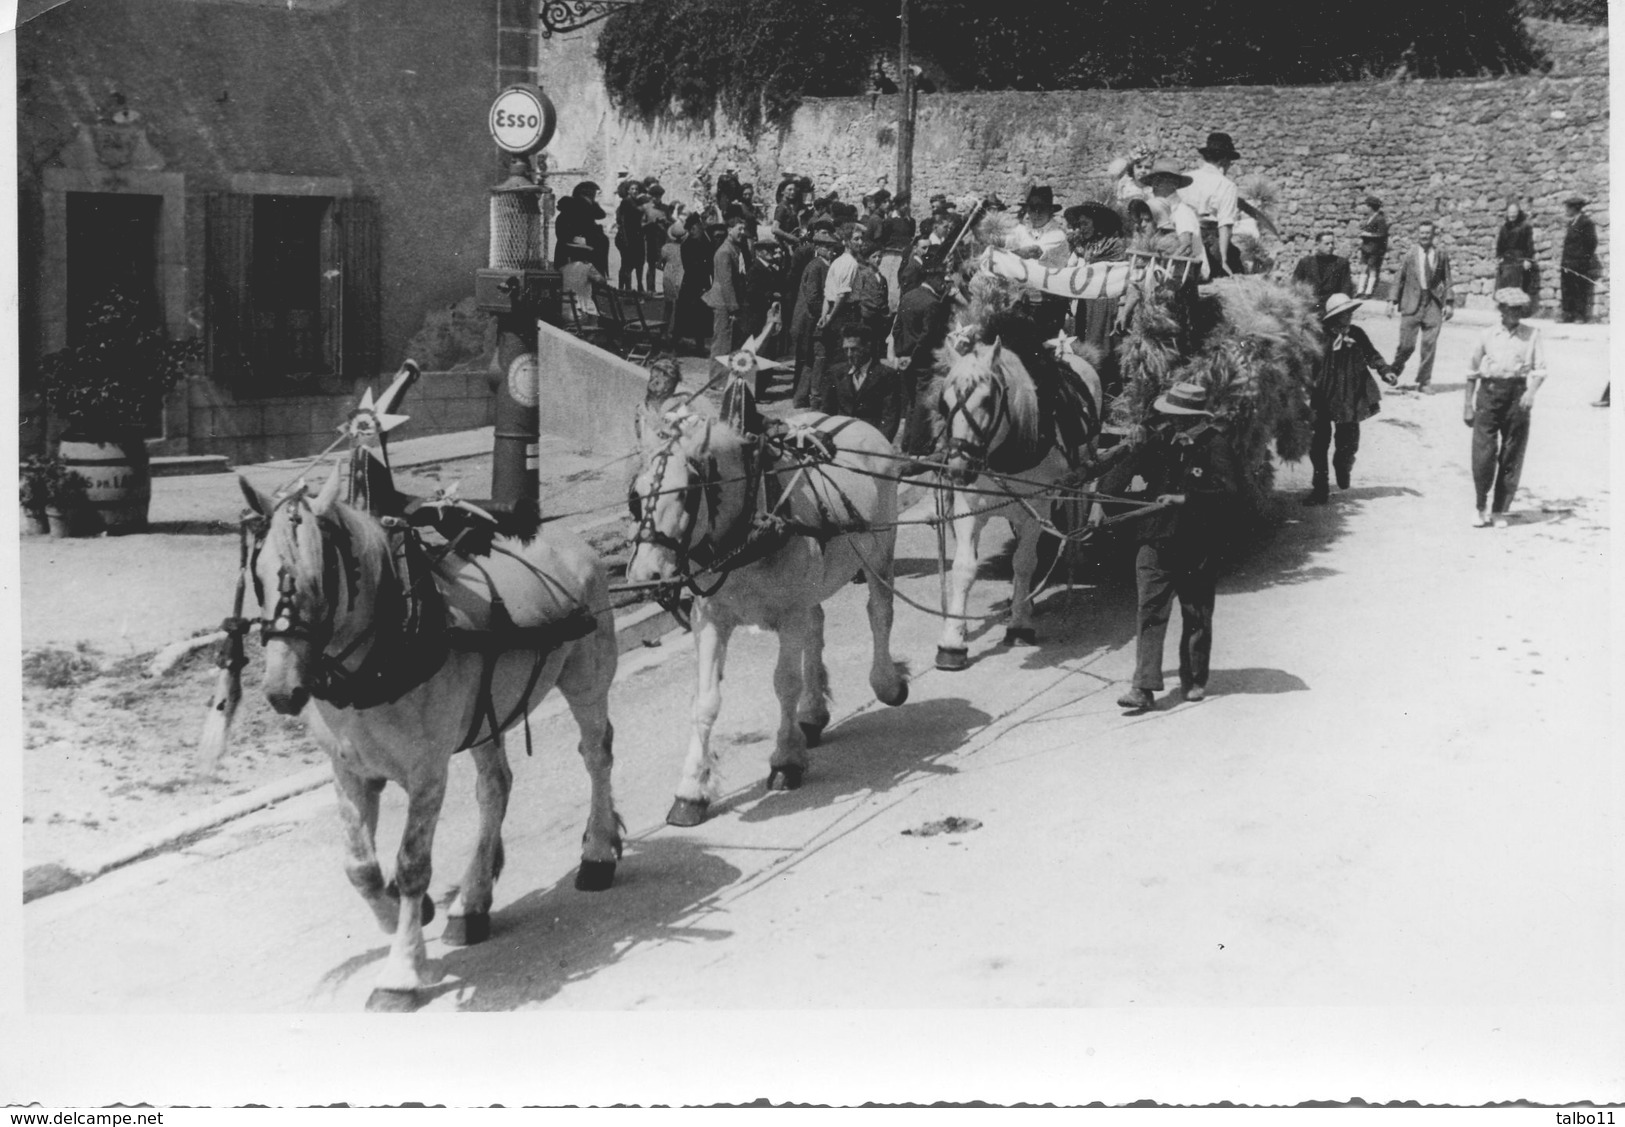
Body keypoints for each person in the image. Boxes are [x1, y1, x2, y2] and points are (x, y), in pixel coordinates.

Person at [1114, 381, 1241, 711]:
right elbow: (1127, 466)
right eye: (1170, 415)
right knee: (1150, 611)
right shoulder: (1162, 439)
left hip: (1196, 543)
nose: (1172, 421)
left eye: (1178, 416)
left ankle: (1195, 677)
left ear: (1193, 417)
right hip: (1155, 538)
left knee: (1195, 613)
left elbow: (1230, 493)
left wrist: (1186, 498)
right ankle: (1143, 687)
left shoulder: (1216, 445)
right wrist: (1100, 498)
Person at [1465, 288, 1548, 528]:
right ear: (1500, 310)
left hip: (1517, 396)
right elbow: (1471, 372)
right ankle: (1480, 506)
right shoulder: (1487, 335)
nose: (1515, 314)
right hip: (1489, 394)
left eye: (1519, 310)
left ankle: (1500, 509)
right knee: (1484, 454)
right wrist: (1468, 406)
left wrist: (1530, 393)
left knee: (1512, 453)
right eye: (1510, 309)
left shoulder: (1532, 335)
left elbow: (1540, 369)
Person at [1305, 294, 1397, 505]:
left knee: (1348, 441)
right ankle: (1320, 488)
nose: (1348, 317)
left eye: (1350, 313)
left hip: (1349, 395)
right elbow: (1307, 362)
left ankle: (1343, 465)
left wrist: (1385, 371)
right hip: (1323, 394)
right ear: (1333, 317)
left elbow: (1372, 355)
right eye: (1343, 314)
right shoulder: (1319, 336)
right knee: (1318, 443)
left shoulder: (1357, 334)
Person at [1389, 220, 1454, 394]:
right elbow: (1399, 278)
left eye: (1428, 233)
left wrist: (1449, 303)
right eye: (1422, 233)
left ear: (1433, 235)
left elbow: (1446, 279)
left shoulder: (1440, 254)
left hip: (1432, 303)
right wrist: (1391, 301)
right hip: (1411, 302)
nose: (1425, 236)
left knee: (1429, 344)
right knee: (1406, 345)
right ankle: (1394, 370)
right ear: (1418, 235)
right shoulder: (1410, 255)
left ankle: (1424, 381)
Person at [821, 322, 902, 443]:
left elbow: (890, 416)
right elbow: (827, 411)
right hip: (840, 438)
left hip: (870, 440)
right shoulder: (836, 373)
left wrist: (880, 445)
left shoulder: (886, 375)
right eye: (846, 349)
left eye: (854, 349)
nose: (849, 354)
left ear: (867, 346)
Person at [1008, 185, 1071, 335]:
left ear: (1050, 211)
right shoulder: (1023, 230)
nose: (1036, 214)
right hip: (1024, 299)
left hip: (1048, 302)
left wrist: (1005, 254)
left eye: (1040, 209)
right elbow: (1003, 241)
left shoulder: (1057, 235)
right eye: (1032, 209)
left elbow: (1033, 251)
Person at [1181, 131, 1244, 278]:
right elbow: (1225, 224)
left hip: (1185, 235)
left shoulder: (1186, 178)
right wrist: (1223, 258)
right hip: (1209, 238)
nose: (1229, 165)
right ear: (1223, 160)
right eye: (1229, 161)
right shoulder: (1227, 185)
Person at [791, 229, 839, 407]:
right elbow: (812, 298)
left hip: (814, 319)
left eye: (832, 247)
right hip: (812, 320)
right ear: (818, 247)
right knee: (819, 358)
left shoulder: (824, 265)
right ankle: (814, 398)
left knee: (812, 360)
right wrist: (826, 315)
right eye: (827, 247)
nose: (831, 250)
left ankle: (801, 397)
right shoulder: (816, 266)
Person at [704, 216, 752, 377]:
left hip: (730, 301)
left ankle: (725, 375)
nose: (742, 232)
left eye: (744, 229)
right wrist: (733, 308)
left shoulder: (735, 248)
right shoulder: (725, 251)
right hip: (723, 303)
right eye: (739, 229)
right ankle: (716, 378)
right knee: (722, 341)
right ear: (729, 230)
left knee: (730, 340)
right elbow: (726, 283)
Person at [1140, 161, 1201, 264]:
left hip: (1189, 268)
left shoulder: (1182, 211)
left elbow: (1185, 245)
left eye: (1159, 182)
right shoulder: (1162, 209)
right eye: (1153, 182)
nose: (1154, 187)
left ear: (1174, 183)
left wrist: (1165, 264)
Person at [674, 215, 715, 352]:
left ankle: (699, 345)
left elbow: (711, 265)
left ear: (700, 226)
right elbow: (691, 267)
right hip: (691, 283)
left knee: (702, 315)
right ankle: (677, 344)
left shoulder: (708, 242)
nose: (692, 232)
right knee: (684, 314)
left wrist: (711, 283)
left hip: (704, 282)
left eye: (693, 228)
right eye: (690, 230)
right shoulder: (687, 245)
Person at [1291, 231, 1354, 313]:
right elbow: (1295, 285)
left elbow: (1346, 288)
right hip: (1309, 309)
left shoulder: (1341, 263)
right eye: (1327, 244)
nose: (1331, 246)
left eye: (1332, 243)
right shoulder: (1305, 262)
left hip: (1333, 309)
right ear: (1317, 245)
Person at [1560, 195, 1598, 324]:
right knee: (1567, 287)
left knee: (1579, 288)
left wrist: (1582, 260)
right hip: (1567, 262)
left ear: (1575, 208)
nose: (1566, 210)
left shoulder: (1586, 223)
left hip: (1579, 262)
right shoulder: (1572, 223)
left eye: (1568, 208)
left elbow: (1591, 243)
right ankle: (1568, 314)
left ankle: (1579, 315)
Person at [554, 181, 607, 274]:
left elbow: (600, 215)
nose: (595, 196)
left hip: (570, 245)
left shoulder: (576, 204)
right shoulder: (582, 205)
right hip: (577, 245)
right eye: (594, 193)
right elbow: (600, 214)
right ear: (588, 193)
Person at [878, 192, 915, 313]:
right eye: (903, 204)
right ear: (897, 205)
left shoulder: (911, 222)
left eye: (907, 204)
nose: (905, 206)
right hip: (891, 256)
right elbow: (884, 239)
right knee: (890, 283)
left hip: (904, 257)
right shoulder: (889, 221)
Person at [1495, 201, 1537, 306]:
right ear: (1507, 213)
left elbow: (1529, 244)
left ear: (1518, 213)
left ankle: (1517, 310)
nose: (1512, 215)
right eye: (1510, 213)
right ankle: (1505, 307)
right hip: (1507, 261)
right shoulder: (1504, 228)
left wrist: (1528, 259)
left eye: (1514, 213)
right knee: (1505, 285)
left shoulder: (1525, 227)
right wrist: (1499, 256)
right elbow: (1500, 244)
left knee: (1518, 285)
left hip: (1519, 260)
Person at [560, 236, 606, 326]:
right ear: (584, 253)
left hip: (566, 311)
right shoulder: (588, 268)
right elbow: (602, 282)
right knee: (595, 318)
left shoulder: (564, 268)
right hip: (582, 313)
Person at [1356, 195, 1388, 298]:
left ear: (1371, 207)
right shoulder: (1370, 218)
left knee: (1372, 269)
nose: (1365, 208)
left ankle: (1368, 292)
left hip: (1374, 248)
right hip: (1366, 247)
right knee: (1363, 268)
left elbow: (1382, 234)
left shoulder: (1380, 219)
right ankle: (1360, 291)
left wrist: (1368, 235)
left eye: (1367, 206)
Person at [614, 183, 646, 290]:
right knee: (627, 264)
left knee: (639, 263)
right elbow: (622, 222)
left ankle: (639, 286)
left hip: (637, 236)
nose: (635, 191)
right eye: (632, 189)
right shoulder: (626, 202)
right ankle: (624, 288)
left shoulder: (638, 202)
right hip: (626, 236)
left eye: (636, 189)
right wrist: (625, 239)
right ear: (628, 191)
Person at [660, 219, 686, 339]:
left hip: (668, 275)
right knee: (680, 306)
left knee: (668, 306)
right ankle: (676, 331)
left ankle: (664, 331)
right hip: (681, 274)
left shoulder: (666, 247)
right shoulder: (686, 248)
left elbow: (661, 261)